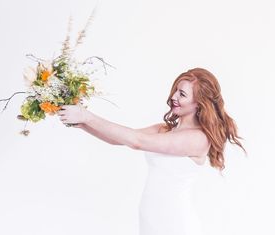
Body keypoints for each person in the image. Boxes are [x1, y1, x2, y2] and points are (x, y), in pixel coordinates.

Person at [58, 67, 246, 235]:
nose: (174, 97)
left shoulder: (198, 138)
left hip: (176, 224)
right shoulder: (163, 130)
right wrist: (81, 123)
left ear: (199, 103)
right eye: (175, 91)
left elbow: (137, 142)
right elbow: (118, 139)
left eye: (182, 94)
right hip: (151, 220)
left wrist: (87, 116)